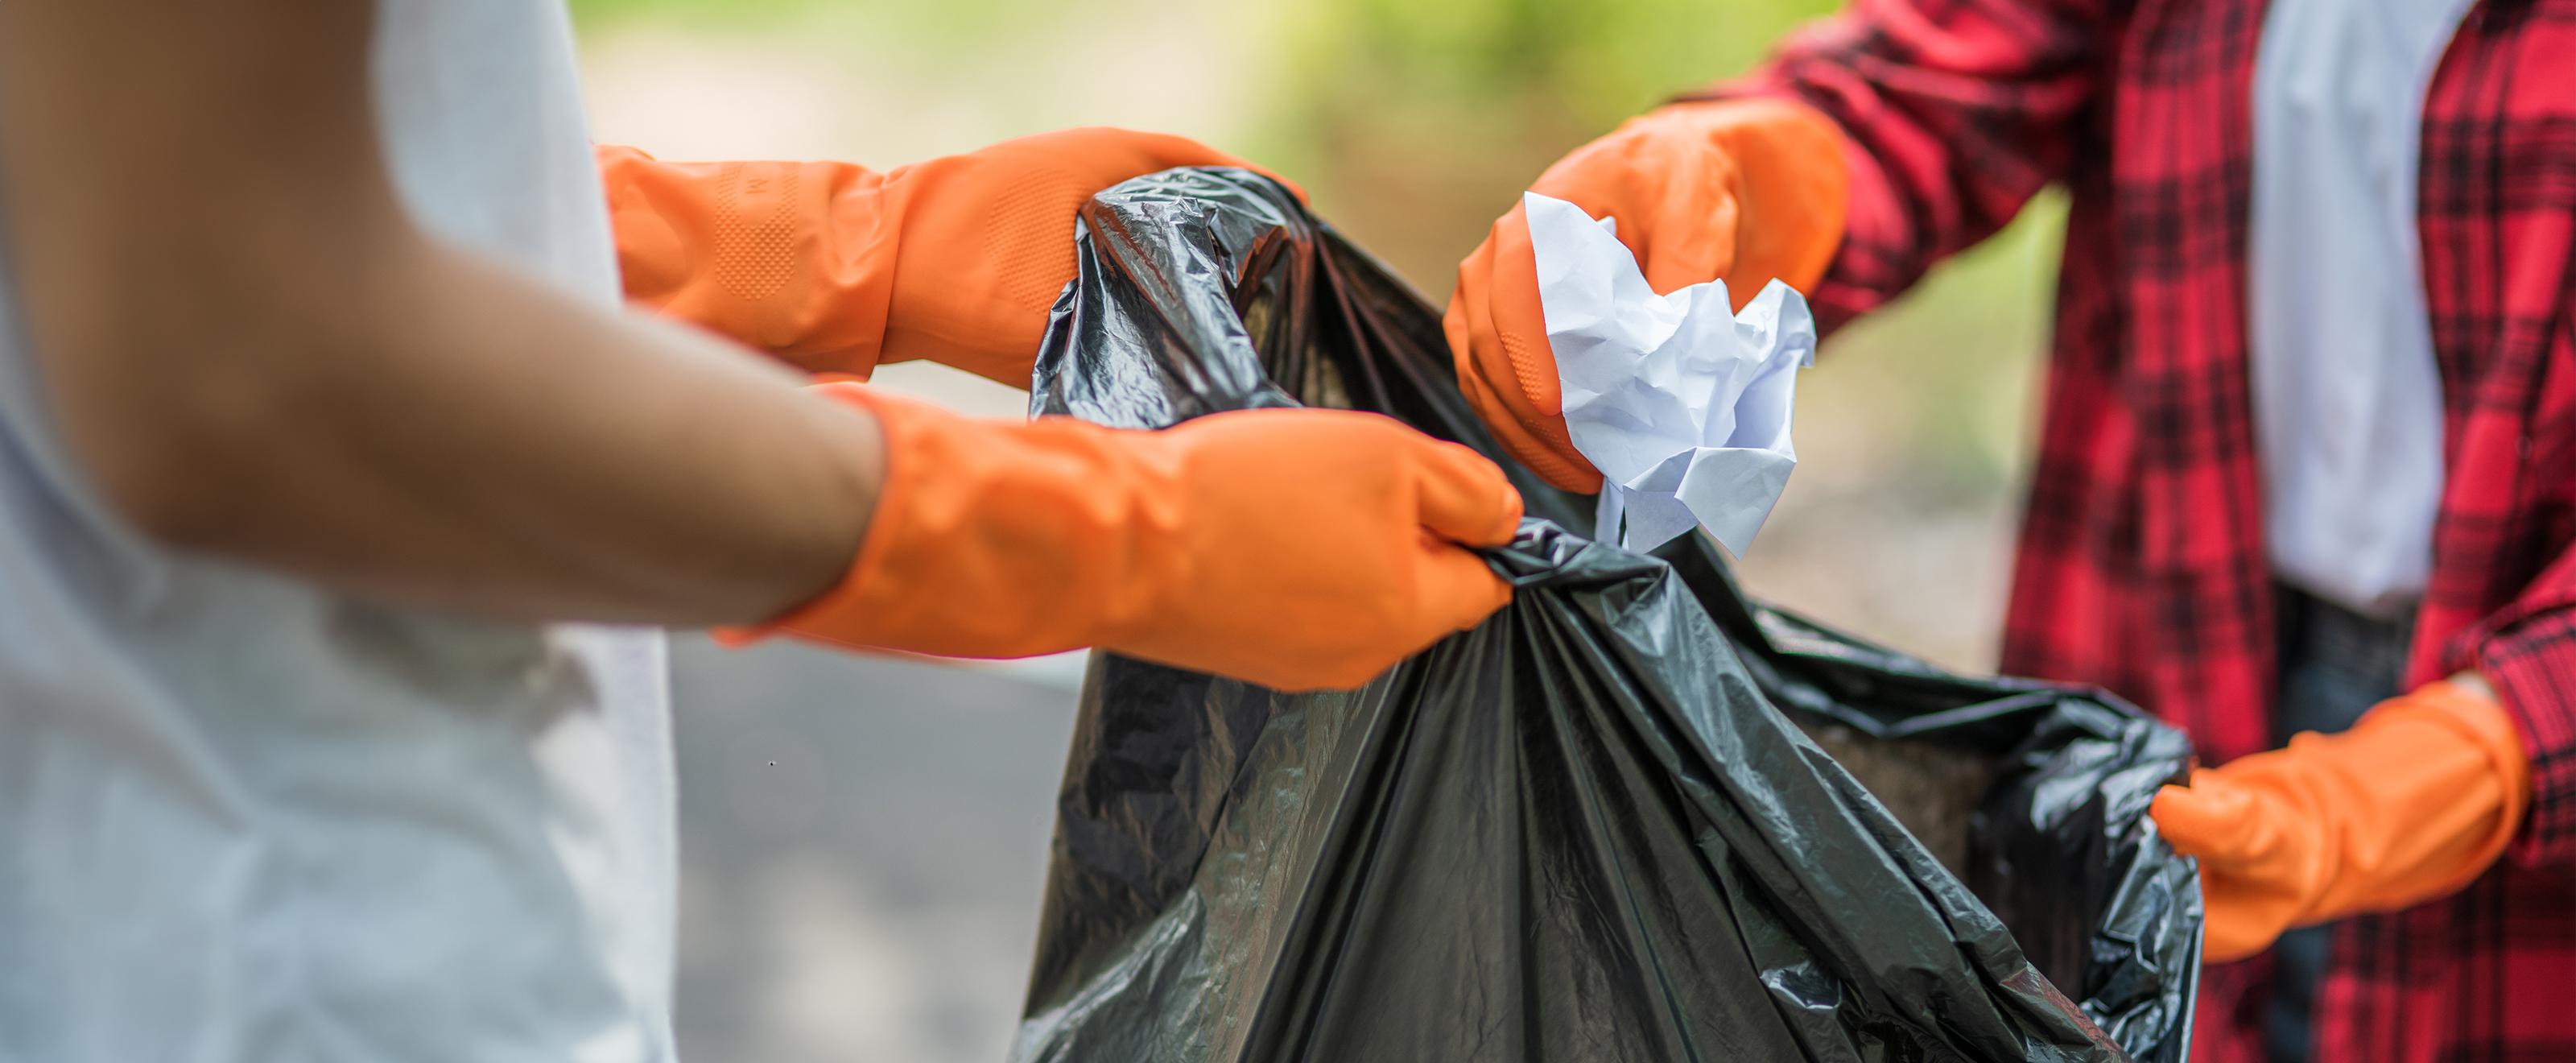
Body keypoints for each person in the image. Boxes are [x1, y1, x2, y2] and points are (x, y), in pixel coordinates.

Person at [0, 0, 1519, 1057]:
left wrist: (847, 253)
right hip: (243, 938)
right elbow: (242, 363)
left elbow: (133, 187)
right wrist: (1101, 537)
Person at [1443, 0, 2572, 1059]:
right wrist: (1755, 167)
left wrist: (2486, 753)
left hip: (2520, 809)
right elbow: (1960, 68)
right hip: (2175, 653)